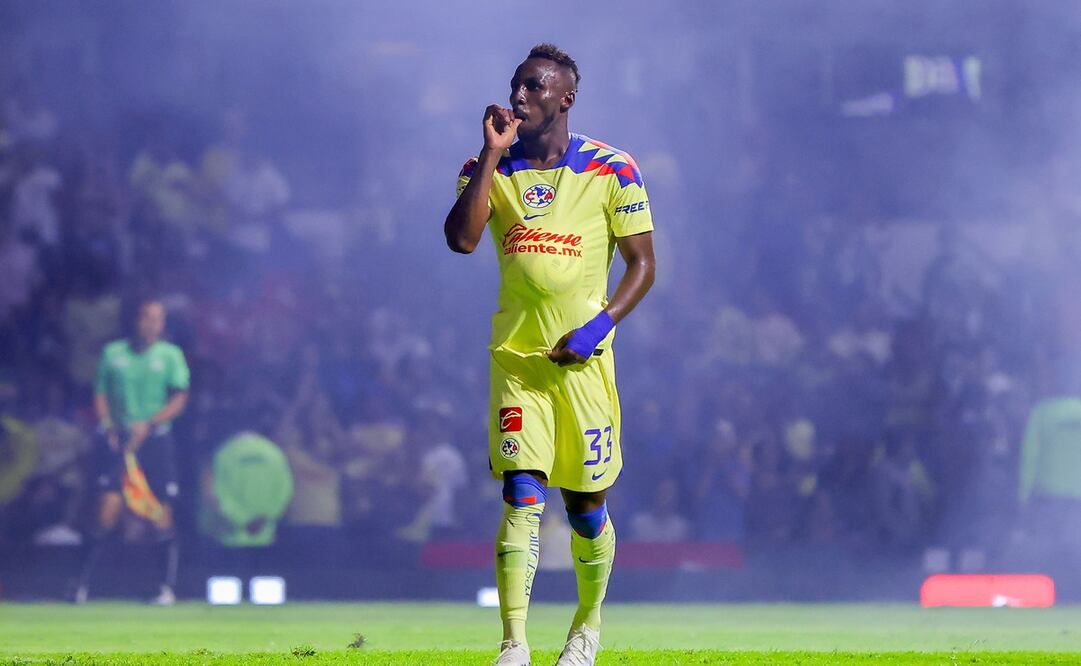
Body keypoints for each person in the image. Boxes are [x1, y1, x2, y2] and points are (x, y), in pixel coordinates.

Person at [444, 44, 655, 666]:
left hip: (583, 363)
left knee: (584, 503)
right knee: (521, 491)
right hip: (518, 360)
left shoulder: (612, 168)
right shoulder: (493, 166)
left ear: (566, 97)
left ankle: (587, 629)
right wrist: (488, 152)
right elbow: (461, 240)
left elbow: (644, 264)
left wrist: (601, 325)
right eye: (516, 86)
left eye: (535, 87)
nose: (520, 97)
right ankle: (513, 644)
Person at [74, 298, 190, 604]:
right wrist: (109, 426)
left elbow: (180, 399)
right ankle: (79, 585)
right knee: (106, 512)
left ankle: (165, 588)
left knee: (160, 514)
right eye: (146, 317)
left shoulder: (170, 355)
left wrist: (149, 424)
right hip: (120, 440)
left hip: (156, 441)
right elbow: (100, 394)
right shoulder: (114, 354)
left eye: (158, 318)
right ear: (135, 320)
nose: (152, 324)